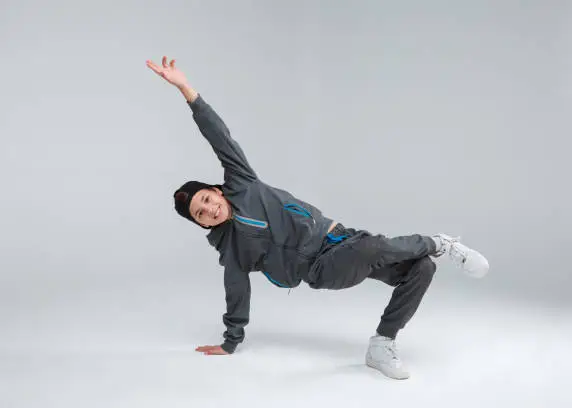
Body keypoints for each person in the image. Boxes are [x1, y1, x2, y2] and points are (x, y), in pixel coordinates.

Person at [146, 56, 490, 380]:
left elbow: (218, 136)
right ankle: (441, 243)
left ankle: (382, 345)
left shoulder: (242, 182)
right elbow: (236, 292)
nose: (209, 210)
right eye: (200, 215)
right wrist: (230, 341)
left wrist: (185, 90)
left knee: (421, 268)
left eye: (206, 199)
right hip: (321, 267)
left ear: (217, 191)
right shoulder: (231, 250)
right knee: (375, 247)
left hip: (340, 237)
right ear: (203, 225)